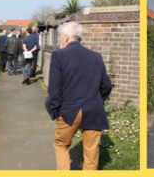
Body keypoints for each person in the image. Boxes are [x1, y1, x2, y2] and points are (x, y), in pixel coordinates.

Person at [45, 22, 112, 170]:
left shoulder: (58, 55)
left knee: (61, 144)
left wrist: (55, 110)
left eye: (60, 37)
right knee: (91, 151)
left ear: (67, 38)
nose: (59, 41)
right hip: (94, 110)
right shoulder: (96, 56)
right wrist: (96, 100)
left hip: (69, 110)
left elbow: (54, 90)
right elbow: (107, 86)